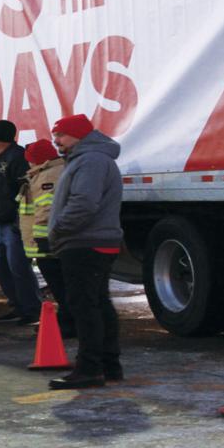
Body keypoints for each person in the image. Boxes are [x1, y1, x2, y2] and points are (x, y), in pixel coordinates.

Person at [46, 114, 125, 389]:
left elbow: (84, 203)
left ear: (79, 135)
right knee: (98, 304)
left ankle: (89, 368)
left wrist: (58, 230)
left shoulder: (90, 160)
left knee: (85, 307)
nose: (56, 140)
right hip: (91, 241)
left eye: (62, 135)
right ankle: (108, 365)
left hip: (84, 242)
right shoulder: (89, 159)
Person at [0, 119, 41, 325]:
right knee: (2, 266)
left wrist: (19, 221)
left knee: (18, 267)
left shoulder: (16, 158)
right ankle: (17, 304)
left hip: (13, 222)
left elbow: (25, 191)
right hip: (0, 221)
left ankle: (31, 308)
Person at [17, 138, 72, 337]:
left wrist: (42, 240)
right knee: (63, 286)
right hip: (52, 241)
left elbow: (45, 210)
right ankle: (67, 320)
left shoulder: (46, 176)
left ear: (37, 160)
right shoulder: (50, 172)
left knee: (60, 286)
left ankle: (67, 323)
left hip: (48, 244)